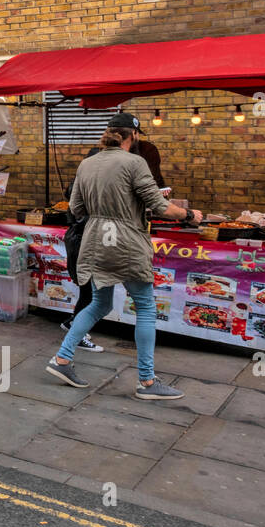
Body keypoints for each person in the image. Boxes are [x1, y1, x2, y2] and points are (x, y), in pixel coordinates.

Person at [47, 126, 202, 399]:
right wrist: (189, 215)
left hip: (96, 240)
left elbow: (77, 208)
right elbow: (160, 205)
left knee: (99, 303)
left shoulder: (87, 163)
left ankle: (61, 359)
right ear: (133, 135)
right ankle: (147, 382)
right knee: (144, 305)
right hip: (126, 241)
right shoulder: (134, 162)